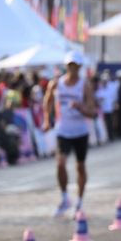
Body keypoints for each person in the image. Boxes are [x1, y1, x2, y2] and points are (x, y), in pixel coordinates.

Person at [42, 51, 98, 217]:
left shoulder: (84, 85)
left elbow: (92, 112)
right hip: (63, 130)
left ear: (80, 67)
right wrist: (47, 120)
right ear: (66, 66)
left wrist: (80, 107)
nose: (72, 69)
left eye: (75, 66)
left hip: (80, 131)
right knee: (60, 163)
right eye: (69, 66)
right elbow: (47, 101)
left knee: (80, 166)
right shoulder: (57, 84)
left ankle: (79, 201)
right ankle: (65, 197)